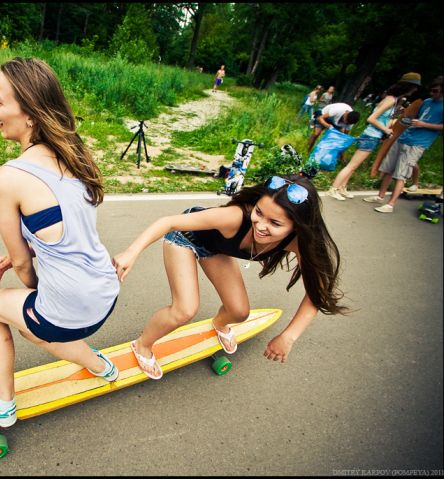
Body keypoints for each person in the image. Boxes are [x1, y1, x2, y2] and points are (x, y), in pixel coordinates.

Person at [0, 57, 120, 427]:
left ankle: (3, 405)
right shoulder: (75, 154)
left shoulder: (9, 179)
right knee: (31, 324)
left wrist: (40, 289)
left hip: (71, 307)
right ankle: (101, 366)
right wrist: (33, 250)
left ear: (31, 114)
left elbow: (22, 267)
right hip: (107, 292)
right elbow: (64, 228)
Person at [112, 174, 346, 379]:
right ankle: (142, 344)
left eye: (274, 223)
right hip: (185, 238)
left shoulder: (301, 243)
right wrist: (132, 252)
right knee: (185, 309)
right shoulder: (234, 217)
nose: (260, 225)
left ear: (298, 227)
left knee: (239, 312)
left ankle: (219, 324)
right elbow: (169, 222)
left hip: (217, 249)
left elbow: (317, 293)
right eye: (259, 212)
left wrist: (289, 336)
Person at [327, 74, 421, 201]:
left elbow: (383, 119)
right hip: (371, 136)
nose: (414, 90)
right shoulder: (391, 100)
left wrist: (388, 128)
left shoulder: (394, 100)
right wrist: (385, 129)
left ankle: (343, 187)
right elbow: (371, 118)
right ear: (407, 86)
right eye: (414, 87)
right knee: (352, 165)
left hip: (373, 136)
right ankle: (333, 189)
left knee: (355, 165)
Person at [364, 76, 443, 213]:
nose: (432, 93)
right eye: (431, 90)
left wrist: (424, 125)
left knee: (401, 173)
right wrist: (403, 116)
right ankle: (380, 196)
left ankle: (391, 204)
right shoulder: (427, 102)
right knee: (388, 168)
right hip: (404, 137)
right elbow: (412, 120)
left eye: (435, 91)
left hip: (418, 143)